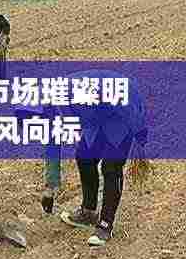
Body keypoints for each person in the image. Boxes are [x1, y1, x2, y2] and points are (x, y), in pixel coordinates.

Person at [16, 69, 148, 246]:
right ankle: (88, 213)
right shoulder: (49, 112)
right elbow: (52, 145)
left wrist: (139, 129)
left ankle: (105, 224)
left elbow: (122, 97)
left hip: (122, 110)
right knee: (84, 157)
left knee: (111, 166)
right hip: (96, 115)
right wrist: (50, 189)